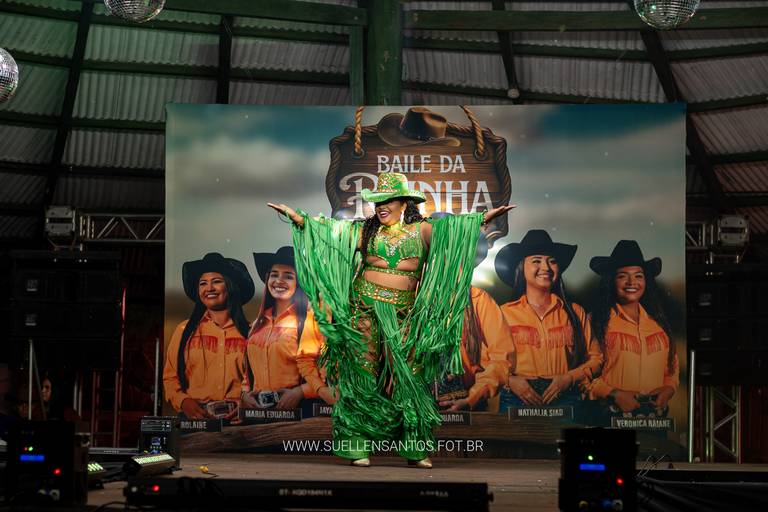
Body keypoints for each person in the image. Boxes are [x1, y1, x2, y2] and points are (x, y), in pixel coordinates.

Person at [268, 172, 513, 468]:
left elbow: (453, 233)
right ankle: (356, 445)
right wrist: (300, 219)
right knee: (362, 375)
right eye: (377, 202)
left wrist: (482, 219)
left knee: (409, 377)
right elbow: (330, 232)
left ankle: (415, 447)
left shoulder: (422, 230)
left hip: (403, 316)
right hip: (364, 311)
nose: (381, 207)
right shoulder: (366, 231)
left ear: (404, 203)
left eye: (387, 201)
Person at [494, 230, 602, 412]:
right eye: (536, 261)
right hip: (517, 397)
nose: (546, 267)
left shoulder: (575, 312)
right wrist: (510, 380)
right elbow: (486, 360)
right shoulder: (503, 314)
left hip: (566, 396)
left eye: (552, 261)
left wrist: (569, 378)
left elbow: (596, 358)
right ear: (521, 267)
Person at [429, 213, 513, 413]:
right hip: (416, 408)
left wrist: (473, 396)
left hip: (468, 407)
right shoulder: (411, 297)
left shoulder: (478, 300)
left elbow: (502, 358)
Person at [587, 240, 679, 420]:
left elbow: (672, 368)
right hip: (608, 419)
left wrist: (669, 388)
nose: (632, 282)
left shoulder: (658, 326)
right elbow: (584, 375)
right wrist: (613, 394)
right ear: (611, 281)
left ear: (646, 281)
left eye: (638, 276)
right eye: (623, 276)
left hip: (653, 421)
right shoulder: (596, 322)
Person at [242, 246, 335, 415]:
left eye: (288, 276)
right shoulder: (257, 324)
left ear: (299, 282)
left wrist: (300, 392)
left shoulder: (310, 320)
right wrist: (244, 394)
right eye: (274, 275)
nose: (279, 281)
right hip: (258, 414)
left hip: (298, 412)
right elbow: (247, 373)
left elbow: (325, 372)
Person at [163, 253, 254, 421]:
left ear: (230, 286)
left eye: (216, 281)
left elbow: (261, 382)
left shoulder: (251, 333)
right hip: (195, 421)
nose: (209, 288)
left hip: (239, 423)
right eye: (203, 283)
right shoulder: (184, 330)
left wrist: (246, 406)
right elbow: (170, 378)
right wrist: (183, 402)